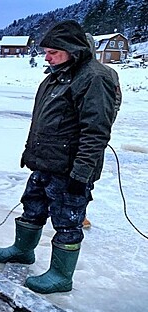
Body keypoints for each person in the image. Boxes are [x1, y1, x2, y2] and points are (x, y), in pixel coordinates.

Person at [0, 20, 116, 294]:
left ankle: (61, 275)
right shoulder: (55, 76)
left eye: (52, 52)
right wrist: (29, 152)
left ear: (72, 49)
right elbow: (41, 121)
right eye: (46, 52)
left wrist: (81, 175)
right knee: (32, 207)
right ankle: (23, 250)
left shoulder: (94, 77)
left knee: (67, 220)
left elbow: (95, 131)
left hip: (70, 169)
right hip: (45, 162)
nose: (46, 57)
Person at [82, 33, 123, 228]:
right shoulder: (68, 71)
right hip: (65, 139)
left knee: (85, 175)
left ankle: (80, 212)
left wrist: (103, 124)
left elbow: (115, 101)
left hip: (91, 136)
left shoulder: (105, 73)